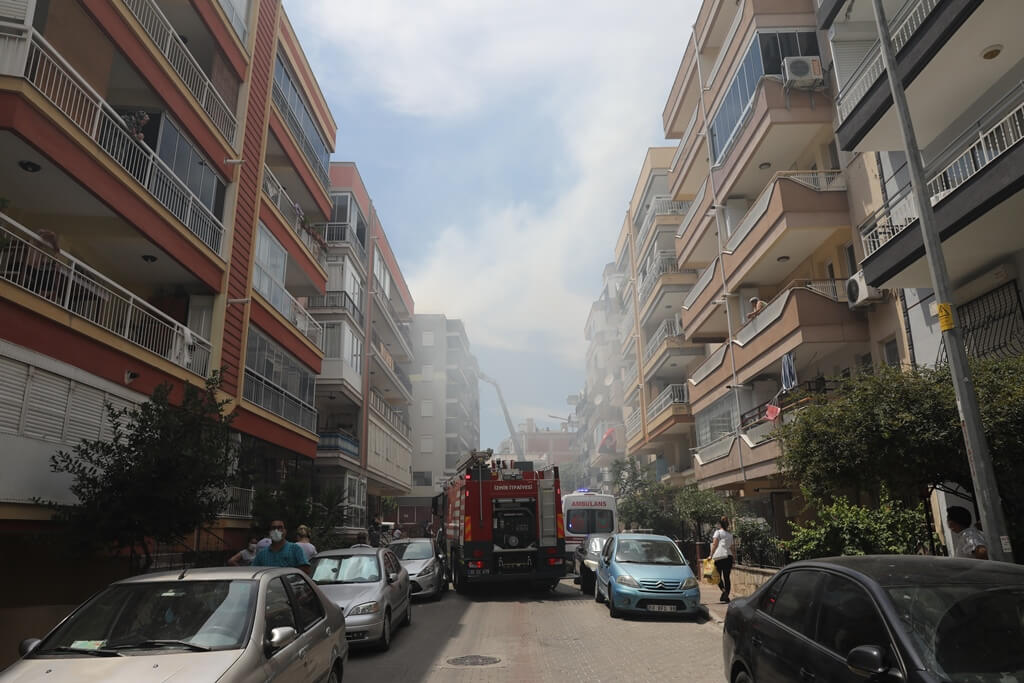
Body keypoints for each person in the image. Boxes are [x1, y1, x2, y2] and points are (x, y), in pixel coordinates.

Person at [710, 516, 735, 603]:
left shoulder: (718, 533)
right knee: (727, 577)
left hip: (719, 557)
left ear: (720, 524)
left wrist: (710, 555)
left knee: (717, 577)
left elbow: (714, 544)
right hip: (728, 557)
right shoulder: (730, 534)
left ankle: (724, 592)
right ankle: (726, 595)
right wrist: (734, 558)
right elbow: (732, 547)